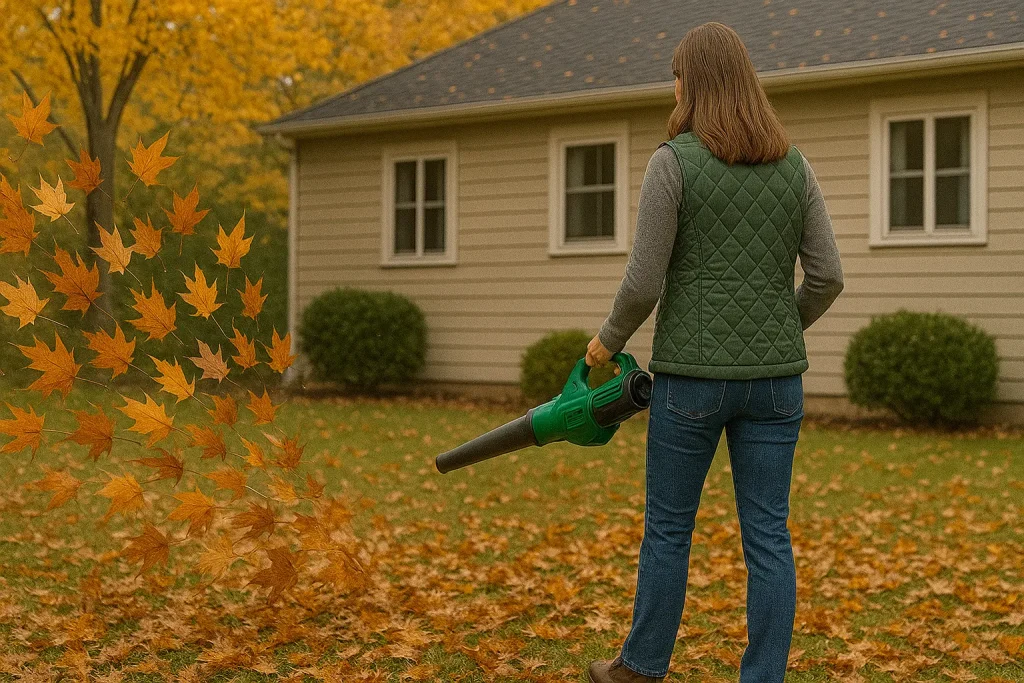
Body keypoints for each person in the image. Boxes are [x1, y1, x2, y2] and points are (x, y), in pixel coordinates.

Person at [584, 21, 845, 683]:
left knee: (670, 526)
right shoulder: (796, 165)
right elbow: (828, 276)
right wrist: (780, 327)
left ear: (693, 83)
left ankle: (641, 668)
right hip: (777, 383)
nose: (671, 86)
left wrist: (606, 340)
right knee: (769, 535)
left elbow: (644, 281)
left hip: (691, 384)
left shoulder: (673, 162)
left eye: (676, 74)